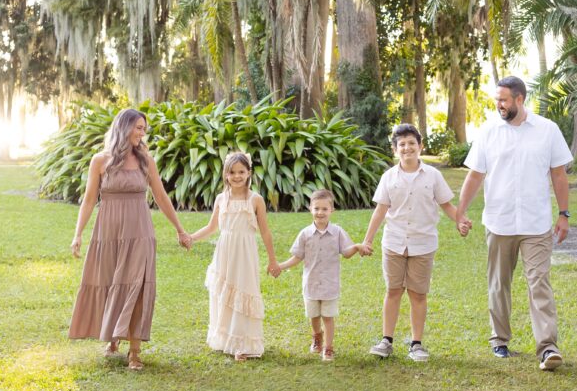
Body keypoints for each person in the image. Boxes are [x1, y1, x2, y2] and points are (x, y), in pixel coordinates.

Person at [456, 76, 573, 372]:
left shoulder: (548, 131)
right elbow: (474, 175)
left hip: (536, 224)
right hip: (499, 222)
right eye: (497, 100)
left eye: (504, 100)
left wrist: (564, 213)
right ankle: (500, 340)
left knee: (539, 283)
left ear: (520, 99)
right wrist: (460, 212)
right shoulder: (488, 132)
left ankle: (548, 348)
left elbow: (559, 175)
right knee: (499, 284)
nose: (499, 105)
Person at [70, 108, 192, 371]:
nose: (142, 133)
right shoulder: (100, 161)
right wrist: (78, 233)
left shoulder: (147, 161)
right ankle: (113, 337)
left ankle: (134, 351)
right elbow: (90, 199)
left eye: (143, 129)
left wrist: (180, 230)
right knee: (110, 282)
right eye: (138, 127)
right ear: (123, 127)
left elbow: (161, 197)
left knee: (137, 285)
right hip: (108, 232)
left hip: (139, 232)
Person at [360, 123, 468, 362]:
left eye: (411, 143)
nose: (407, 148)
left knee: (418, 294)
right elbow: (380, 210)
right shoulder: (389, 177)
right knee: (393, 290)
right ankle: (386, 340)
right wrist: (368, 240)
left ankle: (416, 344)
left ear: (421, 146)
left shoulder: (433, 176)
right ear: (395, 150)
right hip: (394, 242)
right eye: (402, 145)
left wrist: (459, 221)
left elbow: (447, 205)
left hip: (423, 244)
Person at [188, 151, 280, 362]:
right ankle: (225, 338)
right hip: (225, 251)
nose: (237, 176)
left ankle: (243, 343)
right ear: (225, 174)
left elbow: (265, 231)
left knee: (244, 290)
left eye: (241, 172)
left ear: (249, 173)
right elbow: (212, 227)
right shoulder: (221, 198)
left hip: (245, 252)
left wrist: (273, 260)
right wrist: (191, 237)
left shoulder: (256, 200)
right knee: (224, 293)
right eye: (232, 172)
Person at [277, 189, 364, 362]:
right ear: (310, 209)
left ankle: (329, 348)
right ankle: (317, 337)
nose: (320, 212)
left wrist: (356, 247)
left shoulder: (338, 232)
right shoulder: (305, 234)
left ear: (332, 210)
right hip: (311, 284)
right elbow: (298, 256)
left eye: (325, 209)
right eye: (316, 208)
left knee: (328, 316)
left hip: (330, 284)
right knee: (314, 316)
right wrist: (281, 266)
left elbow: (346, 253)